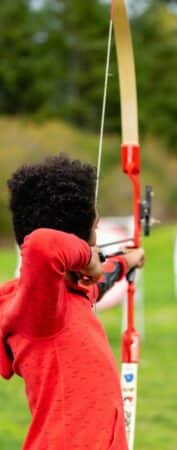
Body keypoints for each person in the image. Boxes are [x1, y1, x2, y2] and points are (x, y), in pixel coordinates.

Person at [0, 154, 144, 450]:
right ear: (78, 244)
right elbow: (43, 245)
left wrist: (126, 261)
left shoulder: (70, 294)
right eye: (96, 227)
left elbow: (98, 282)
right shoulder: (38, 311)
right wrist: (89, 259)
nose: (97, 236)